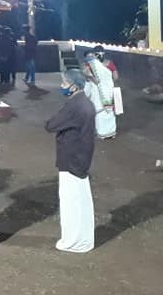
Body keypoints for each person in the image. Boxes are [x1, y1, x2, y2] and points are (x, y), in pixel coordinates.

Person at [44, 68, 96, 253]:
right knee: (81, 202)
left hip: (71, 159)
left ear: (74, 86)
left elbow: (51, 125)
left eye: (64, 83)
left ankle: (72, 241)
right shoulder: (86, 103)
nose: (62, 86)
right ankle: (83, 240)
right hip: (82, 158)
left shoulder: (75, 106)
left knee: (71, 203)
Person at [83, 50, 116, 139]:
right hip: (108, 91)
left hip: (98, 92)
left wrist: (90, 77)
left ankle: (102, 133)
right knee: (108, 111)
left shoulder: (91, 65)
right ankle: (111, 132)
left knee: (99, 111)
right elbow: (116, 77)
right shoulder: (109, 63)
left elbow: (94, 80)